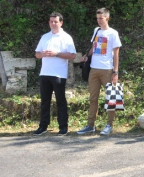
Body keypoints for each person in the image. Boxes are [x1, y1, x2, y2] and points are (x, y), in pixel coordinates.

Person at [77, 8, 122, 136]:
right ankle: (90, 125)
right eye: (97, 18)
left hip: (107, 69)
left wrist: (116, 72)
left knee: (110, 98)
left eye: (101, 18)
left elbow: (116, 54)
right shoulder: (96, 30)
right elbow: (93, 47)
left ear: (107, 18)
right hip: (93, 69)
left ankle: (109, 125)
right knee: (93, 98)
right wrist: (86, 56)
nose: (99, 21)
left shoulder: (113, 33)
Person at [33, 12, 76, 136]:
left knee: (60, 101)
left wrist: (56, 54)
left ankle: (63, 127)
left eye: (55, 21)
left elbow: (72, 55)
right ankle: (43, 126)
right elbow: (37, 54)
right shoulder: (45, 37)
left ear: (61, 23)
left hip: (58, 74)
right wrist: (42, 54)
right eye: (51, 21)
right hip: (44, 73)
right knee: (45, 101)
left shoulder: (66, 37)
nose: (53, 23)